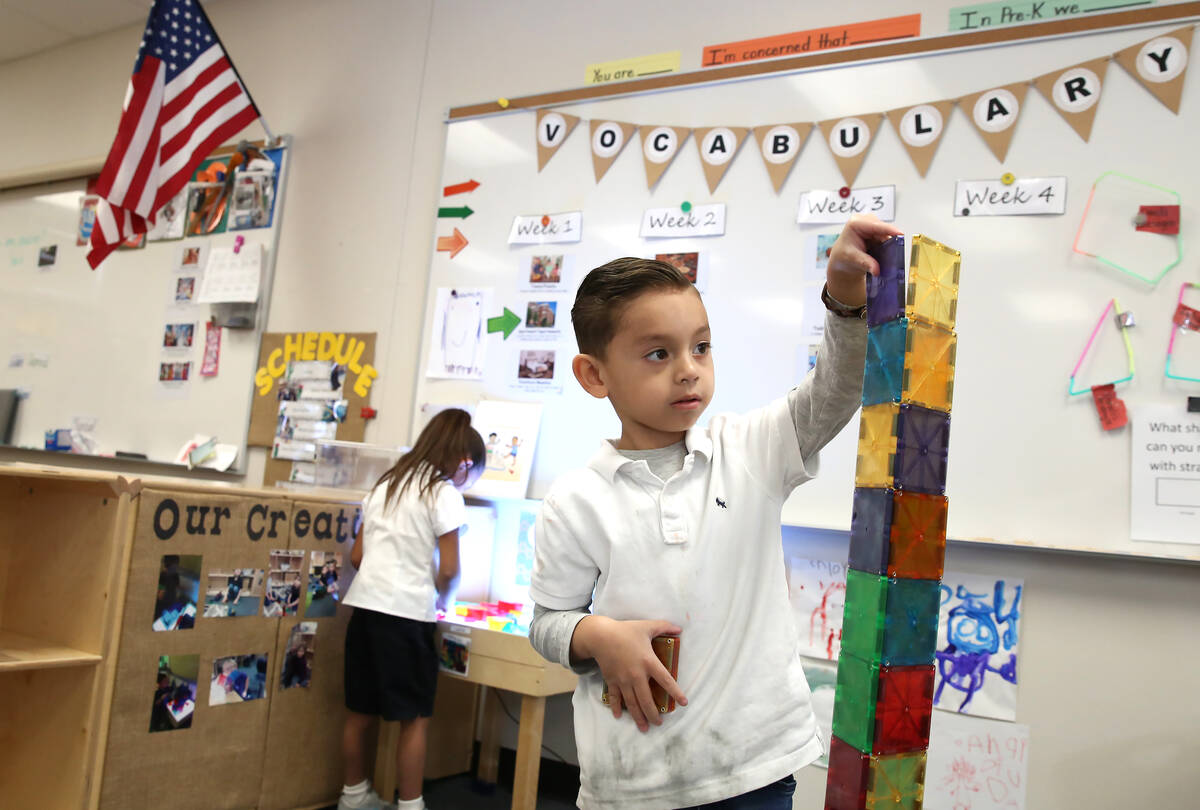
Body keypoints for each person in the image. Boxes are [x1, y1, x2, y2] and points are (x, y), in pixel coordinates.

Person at [528, 215, 901, 809]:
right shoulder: (576, 500)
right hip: (633, 781)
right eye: (658, 353)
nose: (688, 368)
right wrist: (595, 634)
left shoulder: (751, 449)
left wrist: (845, 300)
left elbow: (837, 387)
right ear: (594, 375)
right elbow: (547, 623)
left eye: (701, 346)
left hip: (754, 769)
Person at [337, 407, 486, 810]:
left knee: (359, 712)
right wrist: (442, 598)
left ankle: (352, 797)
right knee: (414, 718)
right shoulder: (443, 494)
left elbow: (356, 556)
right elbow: (451, 568)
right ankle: (410, 804)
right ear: (463, 463)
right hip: (407, 617)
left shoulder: (387, 484)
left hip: (364, 612)